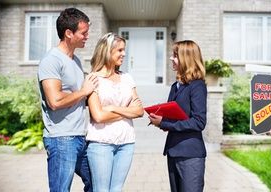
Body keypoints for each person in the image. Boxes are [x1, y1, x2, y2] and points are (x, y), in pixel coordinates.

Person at [38, 8, 97, 192]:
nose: (87, 36)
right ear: (69, 33)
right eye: (84, 32)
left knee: (96, 182)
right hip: (61, 138)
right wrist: (84, 91)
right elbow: (54, 101)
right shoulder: (51, 60)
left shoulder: (76, 61)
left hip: (80, 136)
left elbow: (76, 96)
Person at [86, 32, 144, 192]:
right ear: (107, 51)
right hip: (101, 143)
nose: (124, 54)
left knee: (116, 189)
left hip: (126, 143)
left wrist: (112, 108)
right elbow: (98, 116)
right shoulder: (93, 80)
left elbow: (139, 111)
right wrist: (127, 111)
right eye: (119, 50)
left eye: (124, 50)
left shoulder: (127, 78)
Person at [148, 40, 207, 192]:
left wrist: (164, 123)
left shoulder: (197, 86)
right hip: (173, 151)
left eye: (175, 56)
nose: (171, 59)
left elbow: (199, 122)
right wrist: (160, 118)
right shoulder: (176, 86)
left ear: (186, 59)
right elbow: (174, 115)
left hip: (190, 154)